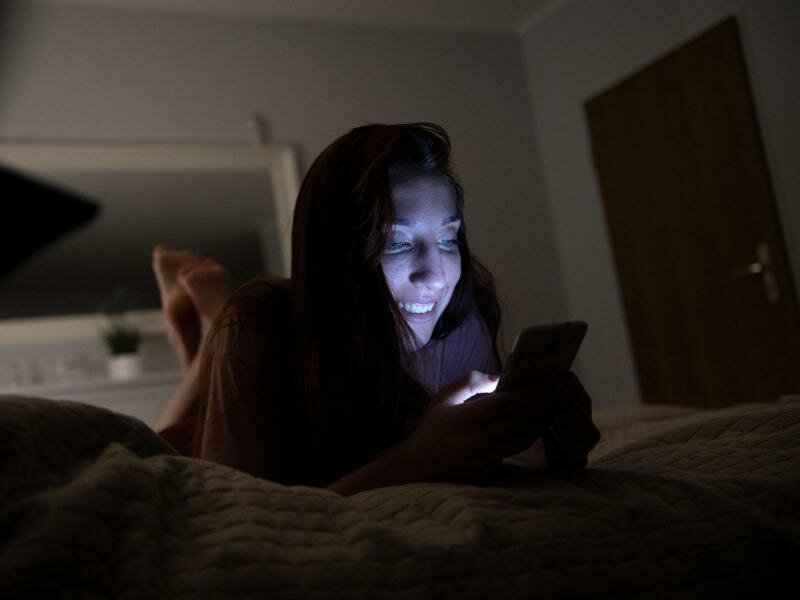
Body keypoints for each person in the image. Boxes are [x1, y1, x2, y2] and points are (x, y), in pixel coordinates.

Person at [152, 123, 598, 495]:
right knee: (177, 427)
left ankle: (202, 349)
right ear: (338, 257)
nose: (437, 275)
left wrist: (548, 443)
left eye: (448, 240)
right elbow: (238, 520)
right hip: (191, 439)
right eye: (397, 243)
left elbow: (479, 456)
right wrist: (420, 458)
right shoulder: (263, 320)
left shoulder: (461, 309)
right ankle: (206, 340)